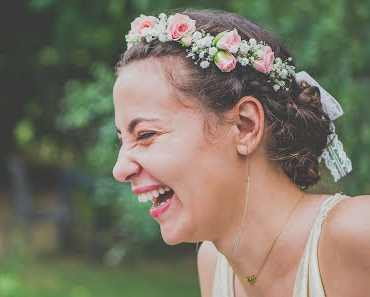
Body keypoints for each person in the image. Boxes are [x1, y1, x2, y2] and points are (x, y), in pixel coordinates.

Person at [112, 9, 370, 297]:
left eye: (145, 135)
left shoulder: (358, 232)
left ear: (245, 126)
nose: (120, 169)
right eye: (122, 139)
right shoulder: (212, 264)